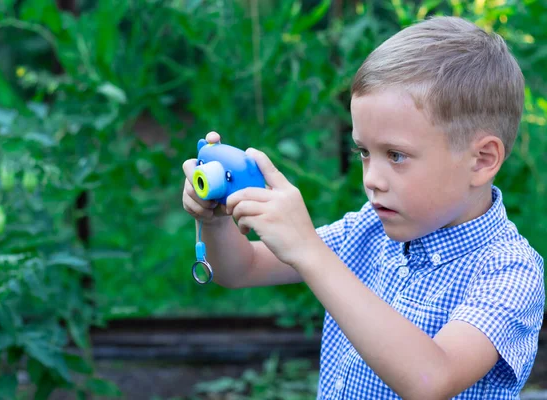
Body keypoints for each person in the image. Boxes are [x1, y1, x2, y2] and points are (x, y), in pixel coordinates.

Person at [181, 16, 544, 400]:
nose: (372, 178)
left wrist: (309, 250)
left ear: (482, 160)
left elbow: (432, 380)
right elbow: (241, 269)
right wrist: (216, 221)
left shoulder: (509, 272)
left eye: (397, 155)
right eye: (364, 153)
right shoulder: (368, 229)